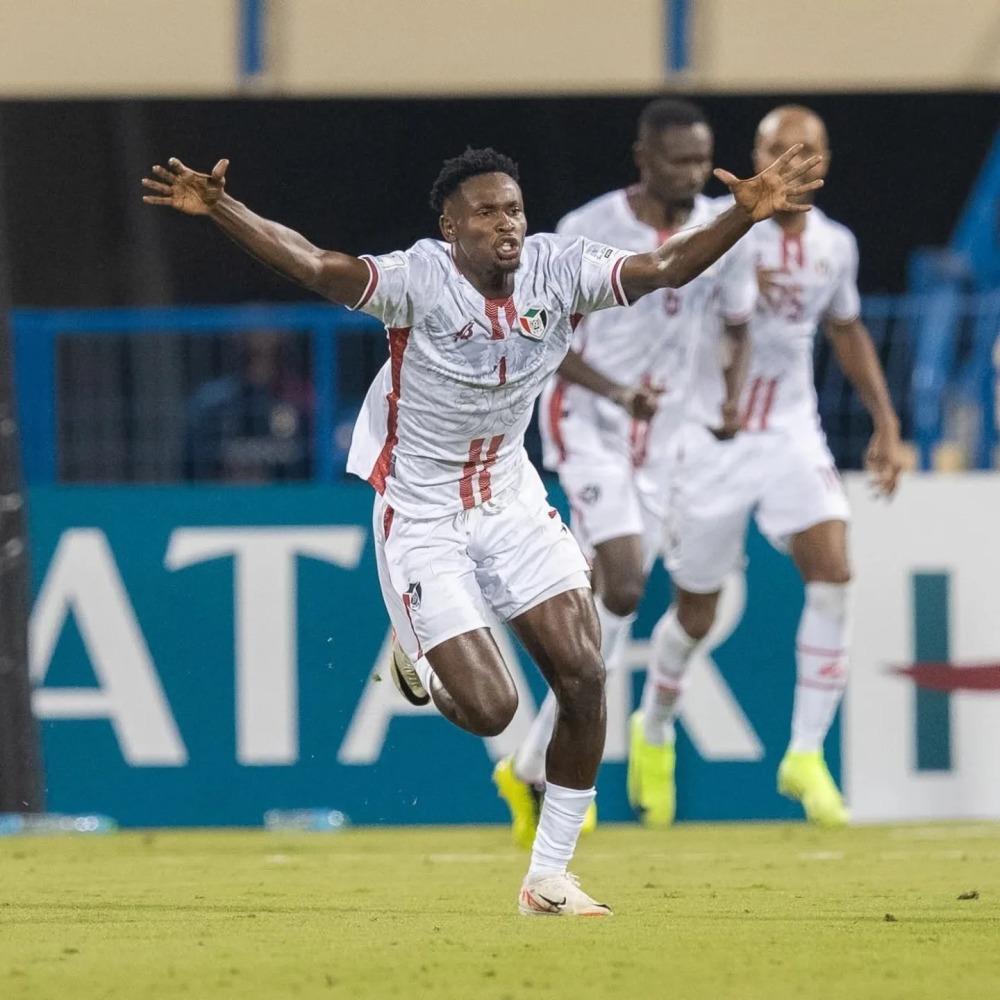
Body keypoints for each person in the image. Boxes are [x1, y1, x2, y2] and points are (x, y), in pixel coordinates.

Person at [142, 142, 822, 913]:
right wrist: (222, 206)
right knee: (494, 709)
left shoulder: (558, 268)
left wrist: (743, 211)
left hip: (511, 498)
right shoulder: (418, 279)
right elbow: (315, 266)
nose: (507, 224)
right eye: (488, 212)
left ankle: (549, 876)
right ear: (451, 225)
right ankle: (422, 663)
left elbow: (662, 270)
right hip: (422, 511)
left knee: (585, 673)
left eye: (515, 209)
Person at [493, 99, 756, 844]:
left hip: (667, 435)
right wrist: (616, 392)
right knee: (628, 579)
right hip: (590, 421)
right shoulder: (585, 229)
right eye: (680, 161)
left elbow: (739, 326)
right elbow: (541, 333)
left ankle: (533, 761)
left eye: (702, 160)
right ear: (644, 158)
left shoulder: (719, 228)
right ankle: (550, 761)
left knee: (603, 594)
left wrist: (731, 400)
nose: (695, 174)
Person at [640, 105, 904, 828]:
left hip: (791, 433)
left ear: (824, 160)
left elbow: (845, 328)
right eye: (776, 149)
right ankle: (654, 728)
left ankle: (806, 754)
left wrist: (884, 422)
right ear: (755, 157)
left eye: (806, 150)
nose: (792, 161)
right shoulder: (720, 234)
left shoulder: (835, 247)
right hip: (709, 441)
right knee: (695, 613)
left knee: (834, 570)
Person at [183, 328, 314, 482]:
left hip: (285, 495)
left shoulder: (300, 397)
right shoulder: (213, 401)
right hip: (223, 497)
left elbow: (306, 454)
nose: (261, 336)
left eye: (266, 327)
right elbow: (197, 458)